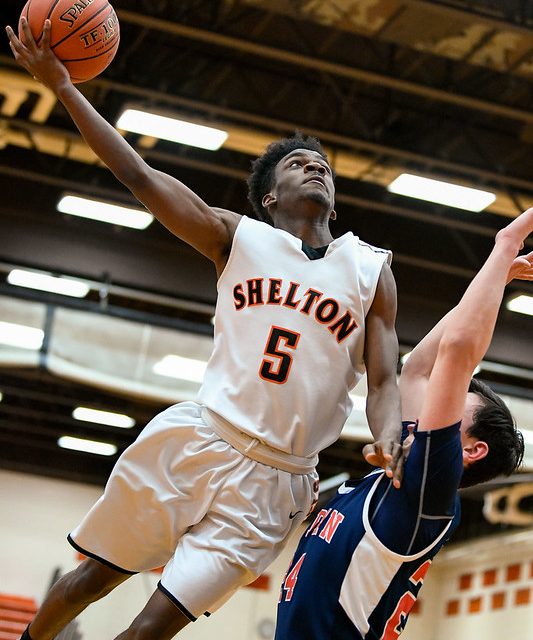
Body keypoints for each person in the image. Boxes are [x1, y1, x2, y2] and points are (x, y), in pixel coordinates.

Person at [6, 18, 404, 640]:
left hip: (279, 482)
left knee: (151, 629)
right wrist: (62, 86)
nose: (316, 168)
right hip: (201, 439)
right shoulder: (236, 238)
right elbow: (140, 178)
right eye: (299, 165)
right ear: (269, 199)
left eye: (323, 164)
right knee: (93, 579)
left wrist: (387, 438)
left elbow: (385, 378)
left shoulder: (371, 271)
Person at [275, 209, 533, 639]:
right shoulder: (402, 478)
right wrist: (499, 279)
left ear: (472, 449)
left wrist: (508, 240)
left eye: (458, 401)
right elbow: (417, 369)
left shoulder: (428, 489)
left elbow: (457, 351)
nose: (438, 400)